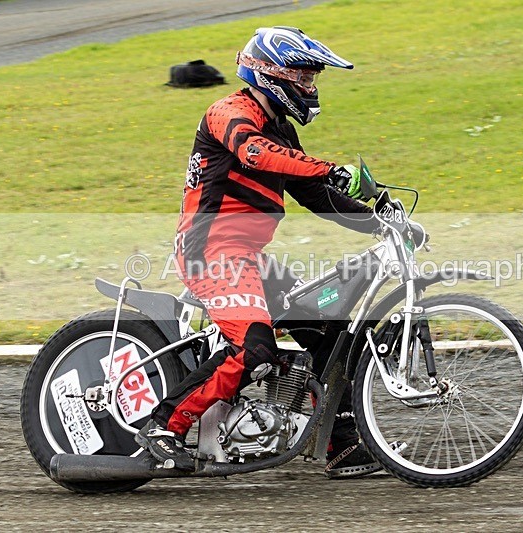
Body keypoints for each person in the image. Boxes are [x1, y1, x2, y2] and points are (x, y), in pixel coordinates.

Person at [136, 26, 381, 479]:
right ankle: (162, 427)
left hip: (248, 257)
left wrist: (379, 218)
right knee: (256, 347)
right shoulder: (228, 111)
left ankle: (341, 444)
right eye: (304, 77)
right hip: (211, 251)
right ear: (272, 73)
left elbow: (315, 193)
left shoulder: (281, 128)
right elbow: (253, 152)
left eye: (313, 79)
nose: (310, 87)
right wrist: (331, 168)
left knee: (332, 332)